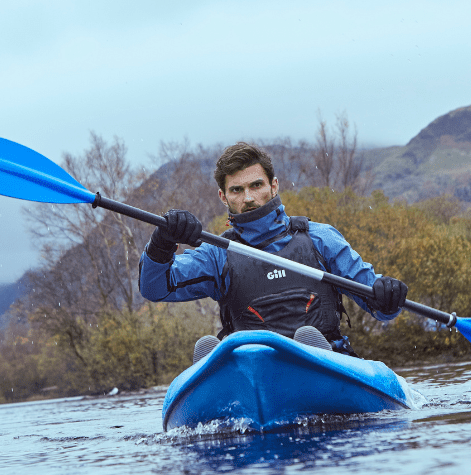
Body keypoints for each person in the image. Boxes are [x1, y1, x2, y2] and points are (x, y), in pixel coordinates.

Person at [138, 141, 409, 358]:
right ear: (223, 197)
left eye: (256, 185)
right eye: (237, 190)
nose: (248, 197)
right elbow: (155, 288)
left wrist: (387, 294)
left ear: (273, 185)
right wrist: (162, 242)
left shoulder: (320, 238)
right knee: (210, 346)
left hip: (325, 364)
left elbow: (381, 308)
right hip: (254, 368)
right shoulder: (217, 253)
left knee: (308, 341)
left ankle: (311, 355)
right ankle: (223, 366)